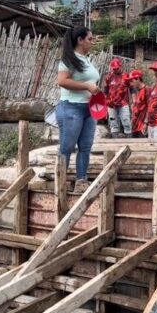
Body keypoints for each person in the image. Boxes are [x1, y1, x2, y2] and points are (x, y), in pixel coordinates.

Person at [55, 26, 100, 193]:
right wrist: (86, 86)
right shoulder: (68, 59)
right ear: (80, 40)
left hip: (89, 109)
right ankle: (60, 181)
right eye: (90, 39)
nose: (92, 42)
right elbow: (62, 81)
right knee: (67, 147)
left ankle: (81, 180)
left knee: (85, 147)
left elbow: (91, 83)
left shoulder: (87, 60)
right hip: (71, 107)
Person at [104, 58, 132, 138]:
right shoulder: (109, 77)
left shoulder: (126, 76)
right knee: (113, 124)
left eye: (117, 68)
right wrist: (106, 102)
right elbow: (105, 90)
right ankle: (115, 141)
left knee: (126, 122)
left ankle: (129, 141)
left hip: (123, 103)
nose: (115, 70)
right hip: (111, 104)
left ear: (120, 66)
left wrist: (133, 102)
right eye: (114, 69)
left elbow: (132, 89)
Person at [128, 69, 148, 138]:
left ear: (138, 79)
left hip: (141, 126)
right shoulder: (137, 91)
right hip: (135, 126)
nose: (131, 83)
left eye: (132, 81)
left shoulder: (146, 90)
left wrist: (146, 123)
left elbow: (150, 108)